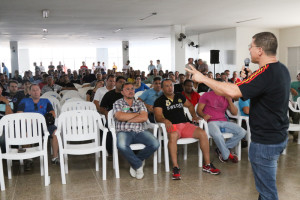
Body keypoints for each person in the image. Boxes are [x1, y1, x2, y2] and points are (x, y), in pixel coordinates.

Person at [186, 32, 290, 200]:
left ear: (260, 50)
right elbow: (242, 92)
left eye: (252, 46)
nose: (249, 49)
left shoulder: (265, 73)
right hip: (277, 136)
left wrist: (203, 79)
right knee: (266, 188)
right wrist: (247, 80)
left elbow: (233, 91)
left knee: (267, 192)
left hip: (265, 141)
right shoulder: (280, 69)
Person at [154, 79, 220, 180]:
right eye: (166, 86)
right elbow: (158, 116)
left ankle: (207, 164)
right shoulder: (159, 101)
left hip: (185, 125)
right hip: (173, 127)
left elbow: (189, 105)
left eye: (171, 85)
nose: (170, 87)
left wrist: (194, 116)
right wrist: (165, 120)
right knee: (173, 136)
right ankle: (175, 167)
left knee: (202, 133)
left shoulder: (179, 96)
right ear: (162, 89)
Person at [113, 82, 159, 179]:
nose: (131, 91)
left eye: (132, 89)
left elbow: (144, 117)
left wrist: (127, 118)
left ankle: (136, 161)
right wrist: (137, 114)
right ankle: (138, 165)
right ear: (122, 92)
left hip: (140, 131)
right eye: (128, 89)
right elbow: (120, 116)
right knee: (121, 145)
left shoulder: (140, 103)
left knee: (155, 144)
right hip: (124, 131)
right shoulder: (118, 103)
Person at [197, 90, 246, 163]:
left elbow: (235, 112)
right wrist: (204, 115)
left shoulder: (226, 96)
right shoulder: (206, 95)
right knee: (217, 135)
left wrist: (229, 100)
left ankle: (221, 150)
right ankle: (226, 155)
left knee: (242, 132)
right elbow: (199, 110)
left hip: (224, 122)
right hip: (211, 122)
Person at [17, 84, 60, 165]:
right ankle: (28, 159)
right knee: (24, 132)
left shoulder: (45, 101)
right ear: (29, 92)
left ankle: (55, 157)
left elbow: (52, 113)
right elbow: (19, 114)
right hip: (29, 125)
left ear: (40, 91)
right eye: (33, 90)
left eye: (37, 90)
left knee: (55, 132)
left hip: (44, 124)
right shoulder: (24, 101)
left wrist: (44, 119)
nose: (35, 92)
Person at [100, 76, 126, 156]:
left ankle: (133, 149)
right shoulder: (109, 94)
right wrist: (106, 113)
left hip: (125, 117)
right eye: (120, 82)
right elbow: (101, 108)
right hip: (112, 118)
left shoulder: (127, 95)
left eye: (123, 82)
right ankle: (110, 151)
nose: (122, 84)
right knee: (108, 128)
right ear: (116, 83)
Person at [0, 83, 14, 154]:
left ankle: (4, 154)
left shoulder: (7, 99)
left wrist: (6, 103)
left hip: (4, 122)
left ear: (1, 90)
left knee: (2, 133)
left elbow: (10, 116)